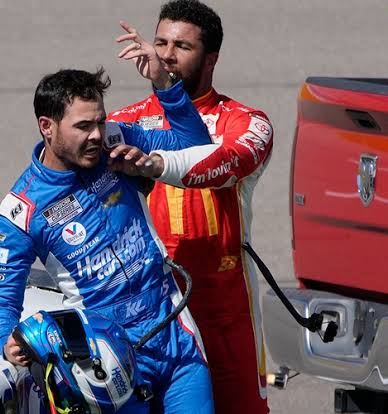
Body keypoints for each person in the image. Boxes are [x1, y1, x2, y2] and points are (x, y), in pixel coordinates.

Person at [0, 22, 214, 413]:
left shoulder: (115, 142)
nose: (96, 135)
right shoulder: (22, 211)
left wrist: (163, 84)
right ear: (47, 127)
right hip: (110, 363)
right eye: (83, 126)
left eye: (100, 121)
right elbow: (1, 300)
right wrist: (6, 340)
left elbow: (197, 147)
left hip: (175, 336)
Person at [107, 1, 273, 412]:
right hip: (151, 309)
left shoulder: (246, 121)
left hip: (226, 311)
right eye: (160, 42)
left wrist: (154, 164)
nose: (165, 55)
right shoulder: (124, 122)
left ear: (211, 58)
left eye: (181, 46)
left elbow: (223, 162)